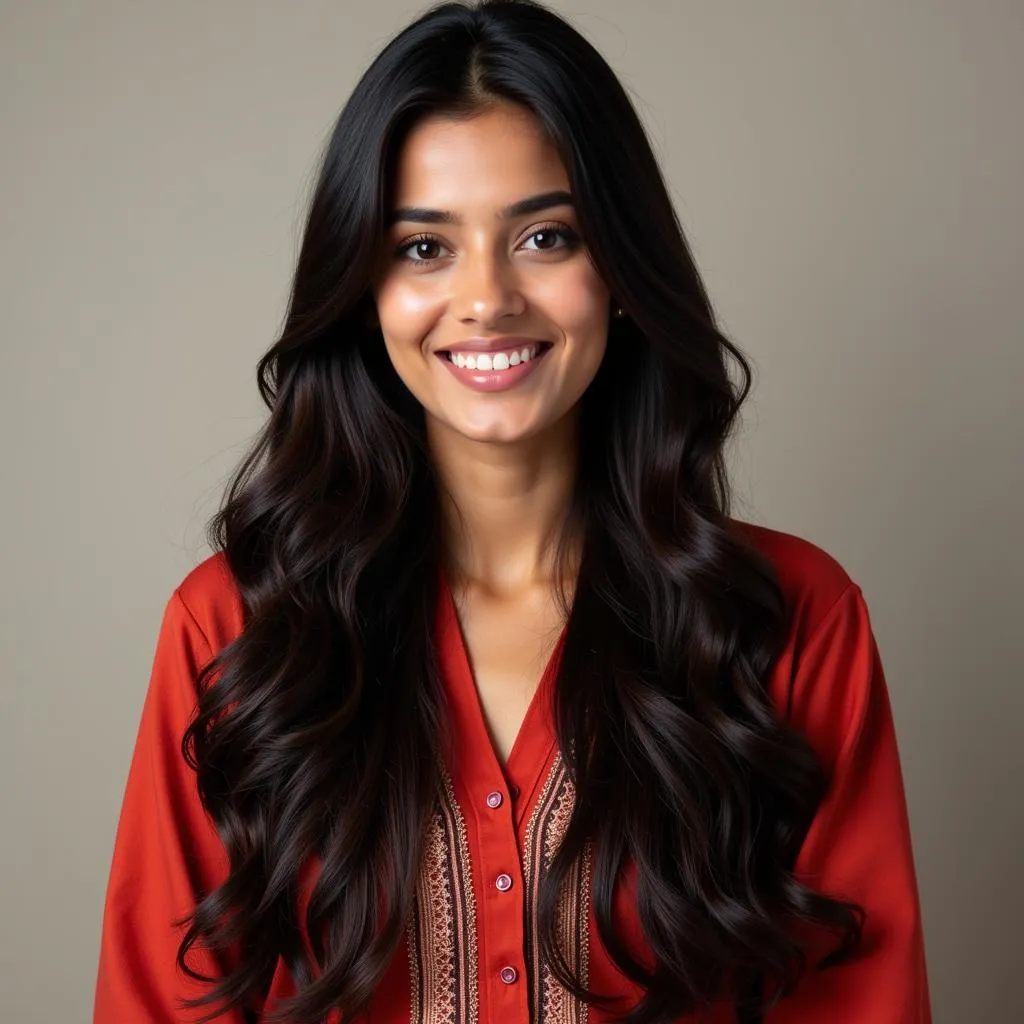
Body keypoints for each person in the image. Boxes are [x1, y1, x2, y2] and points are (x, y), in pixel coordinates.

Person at [93, 1, 931, 1021]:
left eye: (543, 236)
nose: (486, 298)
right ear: (363, 287)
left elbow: (858, 1003)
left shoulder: (789, 620)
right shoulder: (237, 628)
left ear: (619, 269)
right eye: (423, 248)